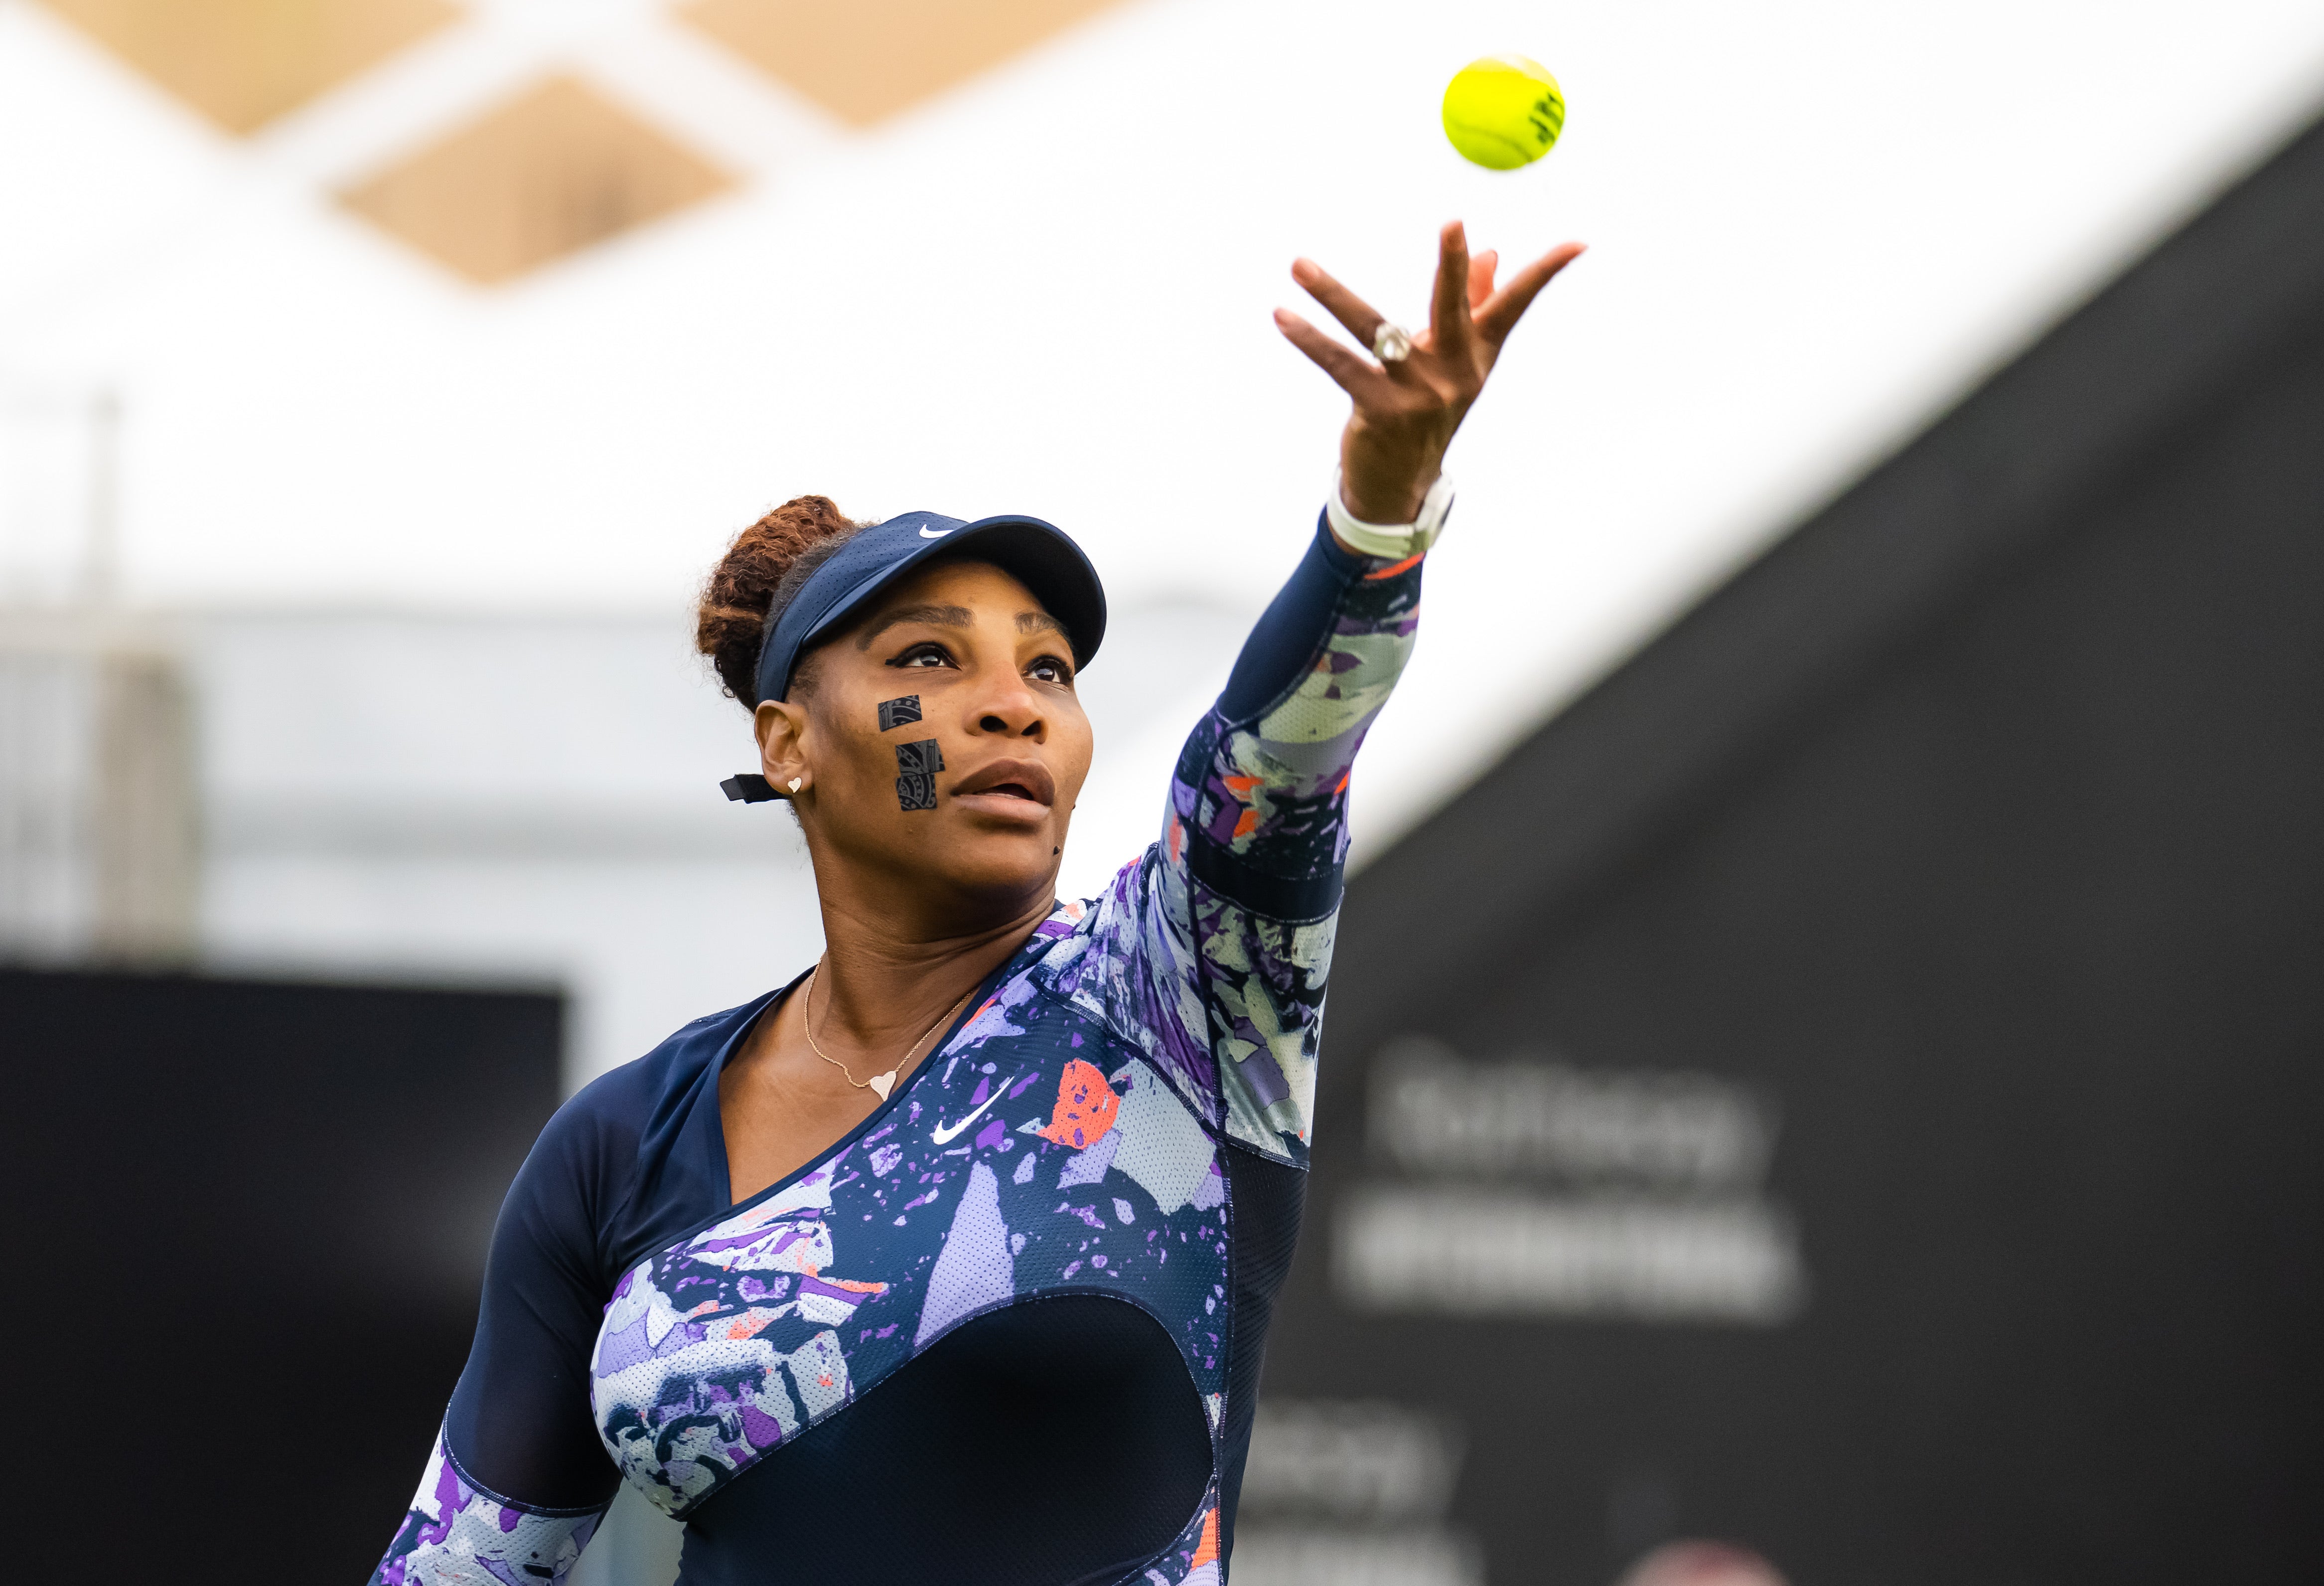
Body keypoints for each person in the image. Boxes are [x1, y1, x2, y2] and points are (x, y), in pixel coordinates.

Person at [369, 221, 1582, 1586]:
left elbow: (1274, 762)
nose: (1013, 700)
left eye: (1050, 670)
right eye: (932, 657)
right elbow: (459, 1569)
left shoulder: (1173, 1009)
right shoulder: (620, 1145)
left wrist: (1379, 508)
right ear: (787, 745)